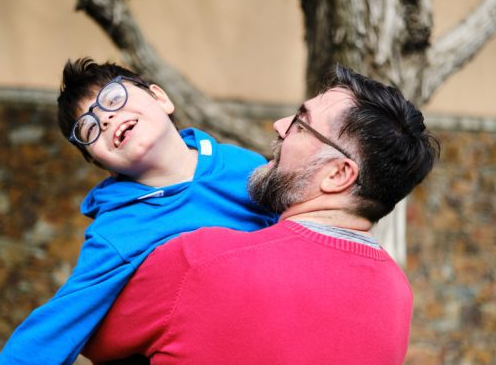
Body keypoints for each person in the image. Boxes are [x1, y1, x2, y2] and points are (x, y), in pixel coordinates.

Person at [82, 64, 440, 364]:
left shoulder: (199, 260)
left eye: (301, 124)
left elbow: (92, 337)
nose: (280, 125)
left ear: (337, 175)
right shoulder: (397, 296)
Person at [0, 58, 277, 364]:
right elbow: (55, 325)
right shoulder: (117, 230)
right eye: (89, 127)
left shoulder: (244, 166)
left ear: (161, 98)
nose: (105, 119)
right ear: (102, 164)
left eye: (114, 98)